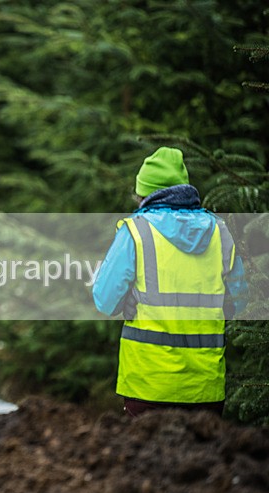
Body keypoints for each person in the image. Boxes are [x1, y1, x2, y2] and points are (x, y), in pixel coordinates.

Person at [93, 147, 247, 417]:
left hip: (147, 384)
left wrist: (131, 299)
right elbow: (241, 302)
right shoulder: (219, 232)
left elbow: (105, 302)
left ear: (146, 194)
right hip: (205, 387)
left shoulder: (137, 231)